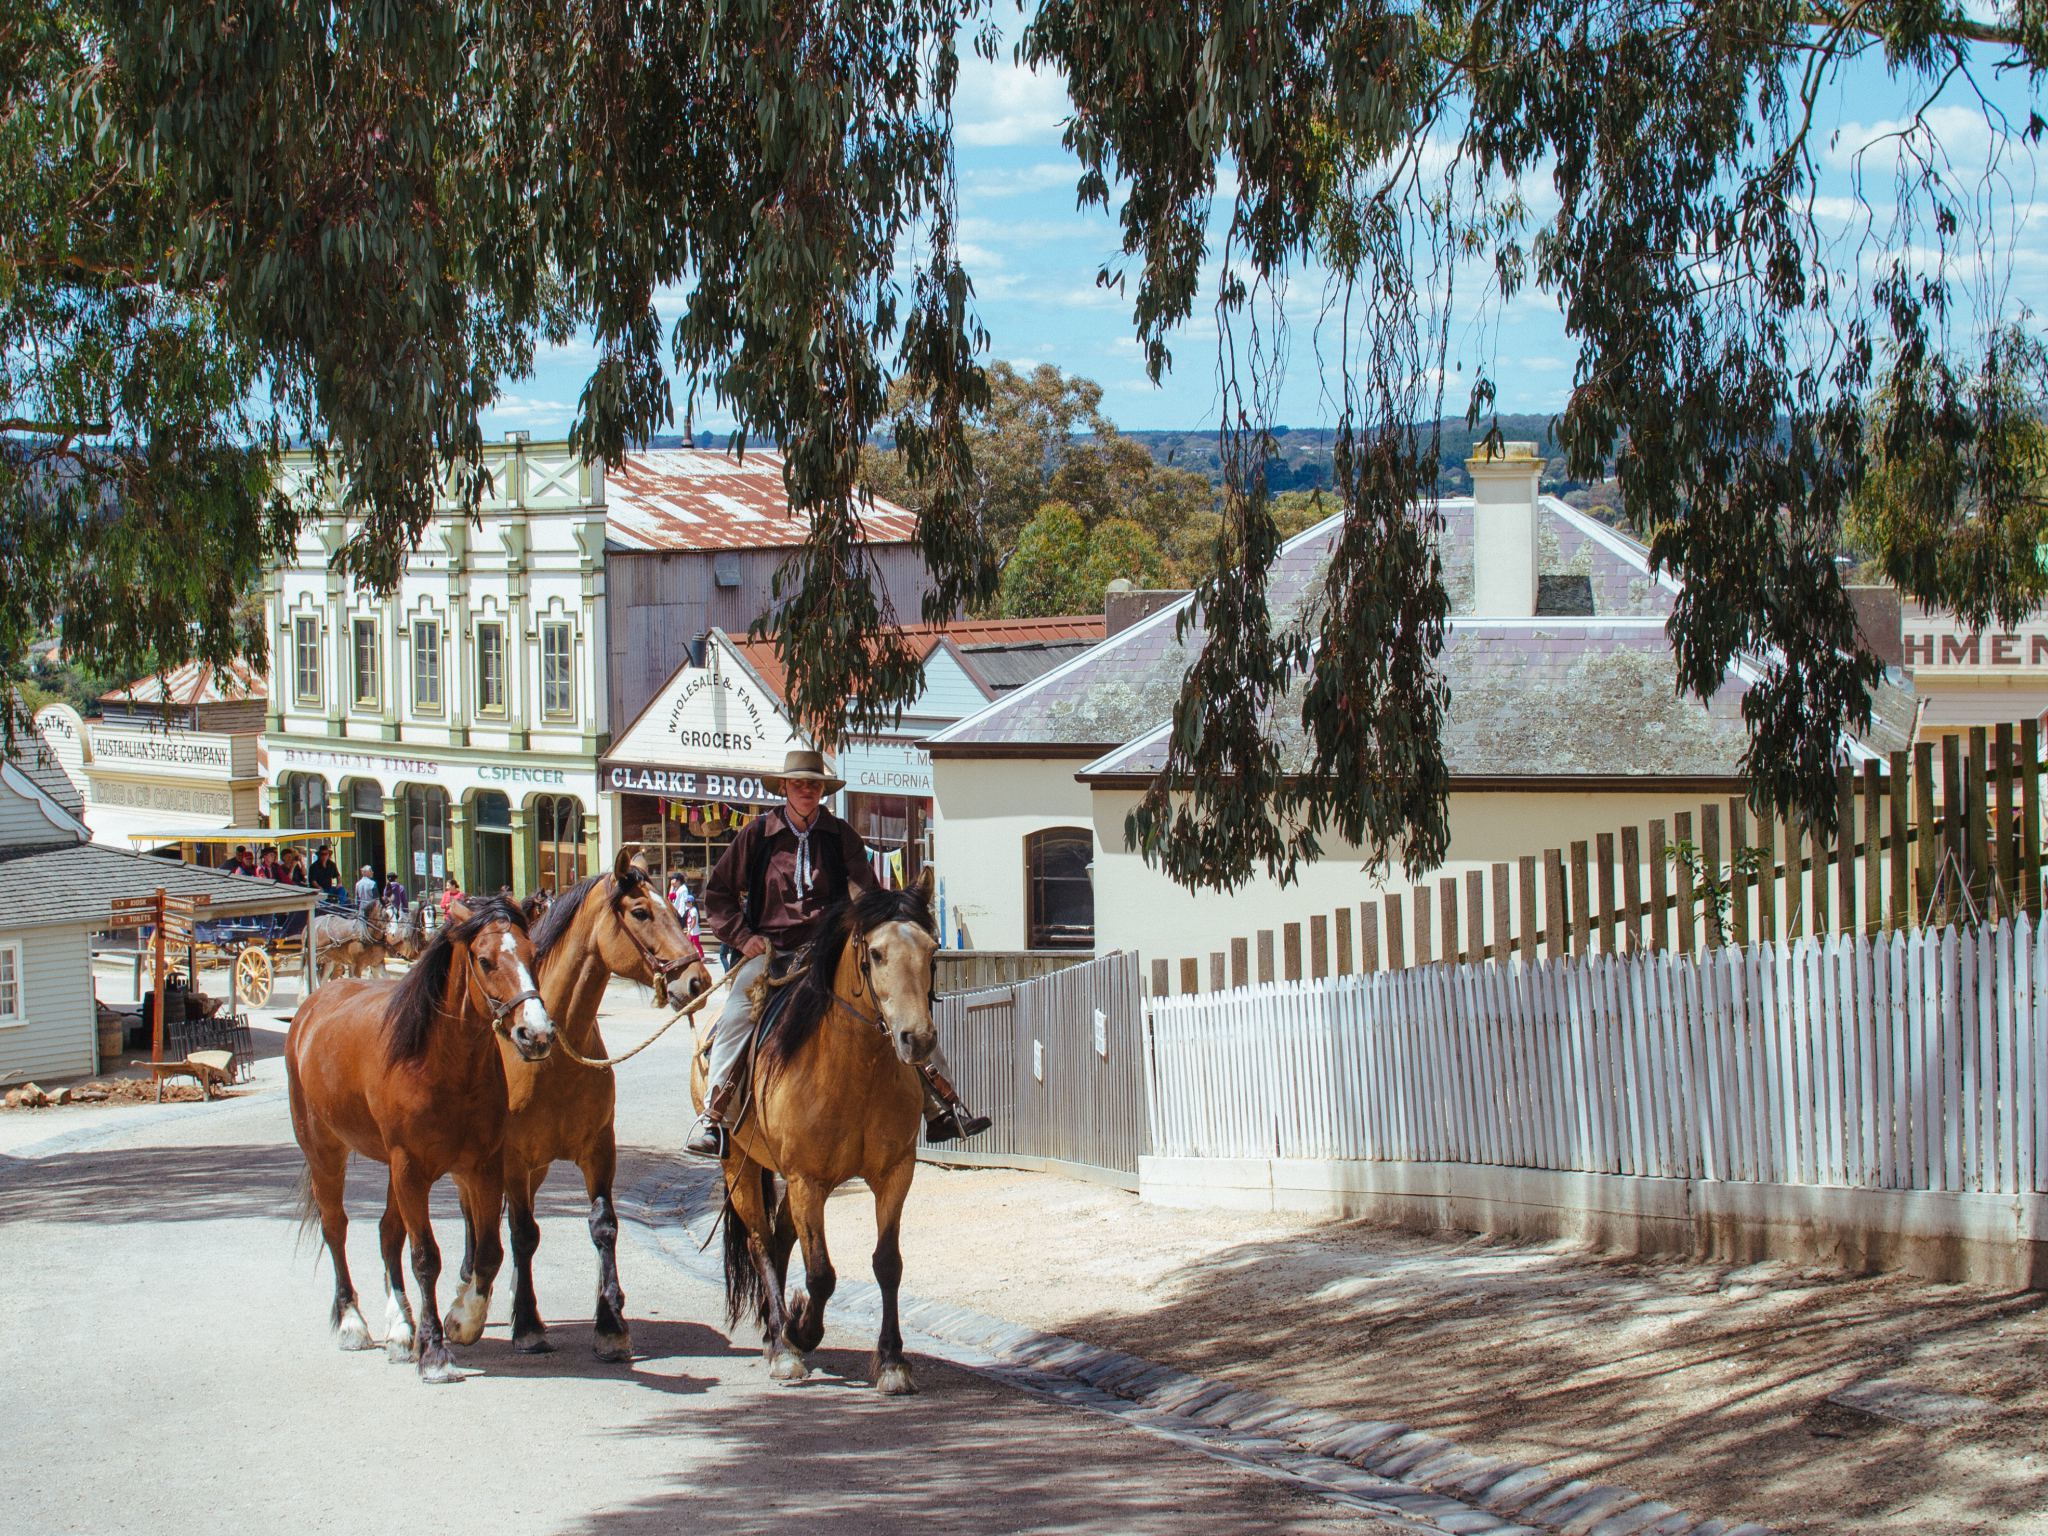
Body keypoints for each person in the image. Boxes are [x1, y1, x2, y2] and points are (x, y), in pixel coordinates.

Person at [684, 748, 990, 1158]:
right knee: (739, 1009)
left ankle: (944, 1106)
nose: (806, 790)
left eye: (813, 784)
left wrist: (883, 922)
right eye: (798, 783)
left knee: (899, 1003)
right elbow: (718, 893)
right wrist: (743, 937)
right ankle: (714, 1116)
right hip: (770, 949)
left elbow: (867, 893)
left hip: (831, 949)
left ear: (822, 791)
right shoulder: (757, 835)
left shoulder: (840, 834)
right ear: (786, 788)